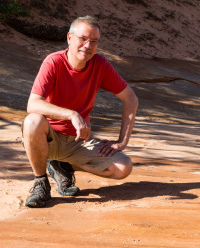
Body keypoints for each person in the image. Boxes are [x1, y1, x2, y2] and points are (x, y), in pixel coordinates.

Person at [22, 15, 138, 208]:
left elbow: (131, 98)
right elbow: (32, 104)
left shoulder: (100, 65)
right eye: (83, 39)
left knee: (123, 168)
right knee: (32, 121)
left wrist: (122, 141)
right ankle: (40, 182)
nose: (87, 45)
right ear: (69, 38)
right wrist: (72, 114)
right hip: (47, 138)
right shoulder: (53, 62)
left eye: (94, 41)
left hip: (77, 141)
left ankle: (63, 166)